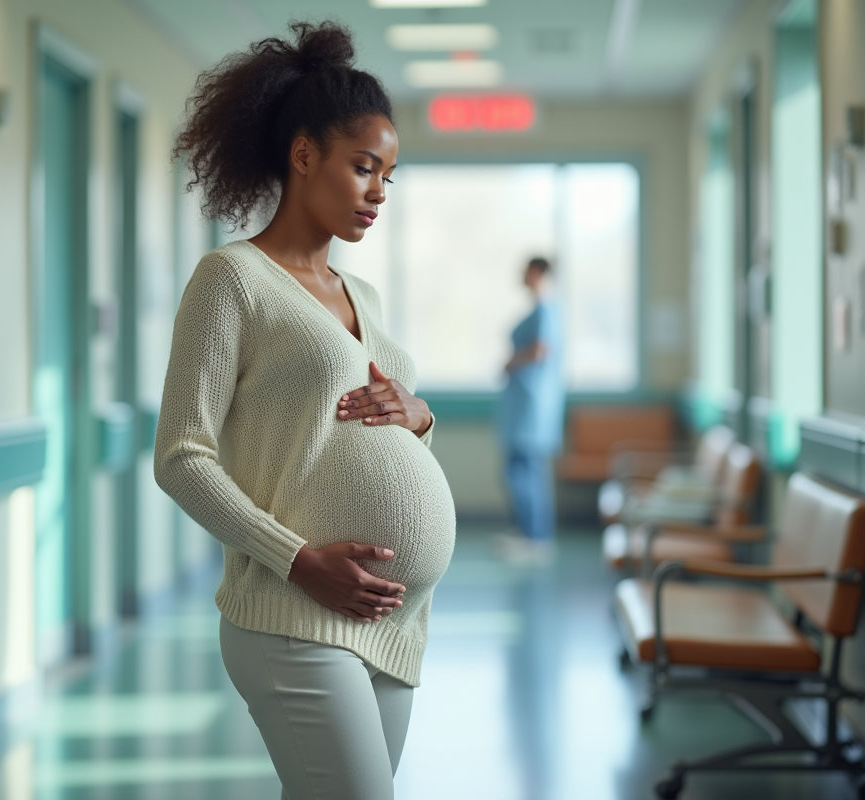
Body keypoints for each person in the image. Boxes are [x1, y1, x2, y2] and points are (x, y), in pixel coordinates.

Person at [155, 21, 456, 800]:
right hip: (292, 612)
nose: (379, 193)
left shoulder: (367, 297)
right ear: (303, 155)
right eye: (364, 168)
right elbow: (180, 458)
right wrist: (299, 561)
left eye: (389, 175)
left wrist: (418, 418)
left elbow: (384, 433)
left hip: (390, 624)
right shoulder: (232, 281)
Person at [498, 257, 565, 563]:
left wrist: (512, 362)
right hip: (524, 401)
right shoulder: (539, 310)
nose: (521, 274)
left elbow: (540, 350)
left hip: (532, 403)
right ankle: (528, 532)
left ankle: (536, 538)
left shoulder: (546, 310)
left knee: (526, 470)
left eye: (526, 270)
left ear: (538, 273)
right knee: (521, 468)